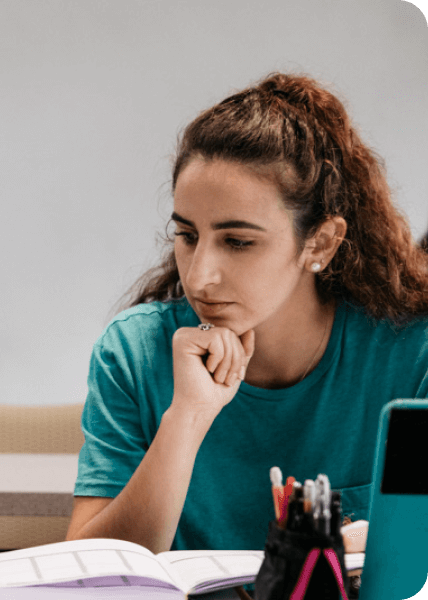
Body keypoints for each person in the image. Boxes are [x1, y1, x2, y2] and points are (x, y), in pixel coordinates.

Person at [66, 73, 428, 554]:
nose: (199, 278)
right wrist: (187, 419)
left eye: (238, 242)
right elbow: (88, 575)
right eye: (188, 236)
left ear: (320, 242)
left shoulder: (413, 353)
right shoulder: (133, 353)